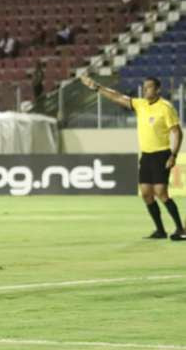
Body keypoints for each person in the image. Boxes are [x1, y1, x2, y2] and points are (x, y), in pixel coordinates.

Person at [80, 75, 186, 240]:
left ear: (157, 89)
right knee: (145, 193)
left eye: (149, 87)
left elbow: (176, 132)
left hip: (161, 154)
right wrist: (97, 87)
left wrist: (173, 154)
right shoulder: (140, 104)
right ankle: (160, 230)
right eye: (144, 87)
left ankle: (180, 229)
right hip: (146, 155)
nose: (145, 90)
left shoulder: (166, 107)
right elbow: (117, 96)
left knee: (160, 192)